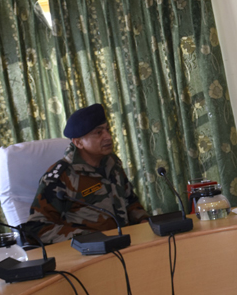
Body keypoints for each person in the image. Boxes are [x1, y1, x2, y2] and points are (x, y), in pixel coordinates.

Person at [27, 104, 149, 244]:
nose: (108, 137)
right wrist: (85, 238)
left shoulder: (112, 164)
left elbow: (130, 201)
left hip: (125, 243)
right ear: (78, 142)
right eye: (98, 133)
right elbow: (37, 227)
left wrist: (143, 220)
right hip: (88, 252)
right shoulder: (61, 177)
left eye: (107, 130)